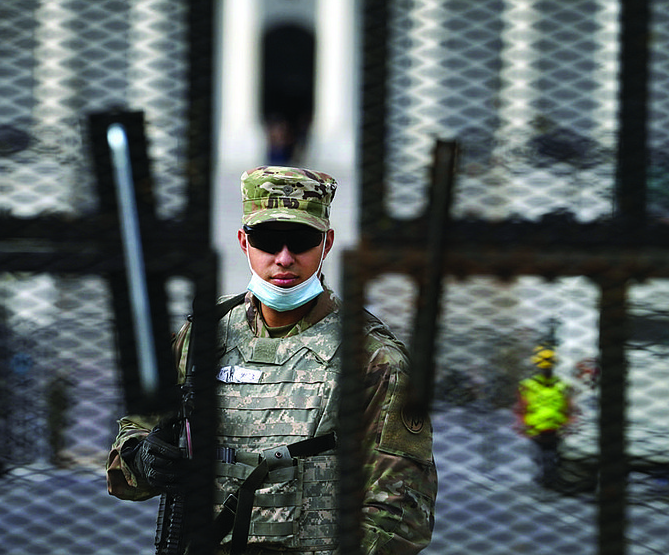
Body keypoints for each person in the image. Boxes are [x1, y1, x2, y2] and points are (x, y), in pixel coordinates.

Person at [106, 166, 437, 554]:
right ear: (244, 242)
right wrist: (144, 460)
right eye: (267, 240)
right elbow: (125, 461)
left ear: (327, 243)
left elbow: (401, 514)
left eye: (301, 240)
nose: (284, 258)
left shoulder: (372, 357)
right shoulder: (202, 336)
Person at [515, 345, 575, 489]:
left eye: (548, 366)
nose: (547, 369)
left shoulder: (561, 385)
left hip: (551, 428)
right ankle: (547, 479)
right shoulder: (529, 386)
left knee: (549, 457)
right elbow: (521, 407)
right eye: (545, 367)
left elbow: (569, 408)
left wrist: (569, 423)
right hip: (540, 428)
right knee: (544, 457)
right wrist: (522, 423)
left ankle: (548, 480)